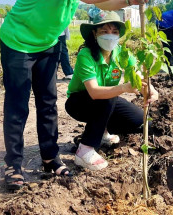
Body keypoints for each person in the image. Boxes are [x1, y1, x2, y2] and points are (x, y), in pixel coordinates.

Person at [0, 0, 150, 190]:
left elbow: (101, 0)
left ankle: (50, 158)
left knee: (47, 102)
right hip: (19, 43)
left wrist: (129, 1)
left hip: (48, 43)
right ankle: (13, 164)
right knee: (18, 106)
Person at [65, 11, 158, 170]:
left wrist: (150, 89)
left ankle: (102, 133)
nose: (110, 36)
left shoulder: (122, 53)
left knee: (136, 118)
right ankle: (85, 149)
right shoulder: (86, 55)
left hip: (106, 100)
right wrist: (123, 88)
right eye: (104, 31)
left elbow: (137, 74)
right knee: (108, 97)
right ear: (94, 33)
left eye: (114, 32)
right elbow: (94, 92)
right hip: (79, 102)